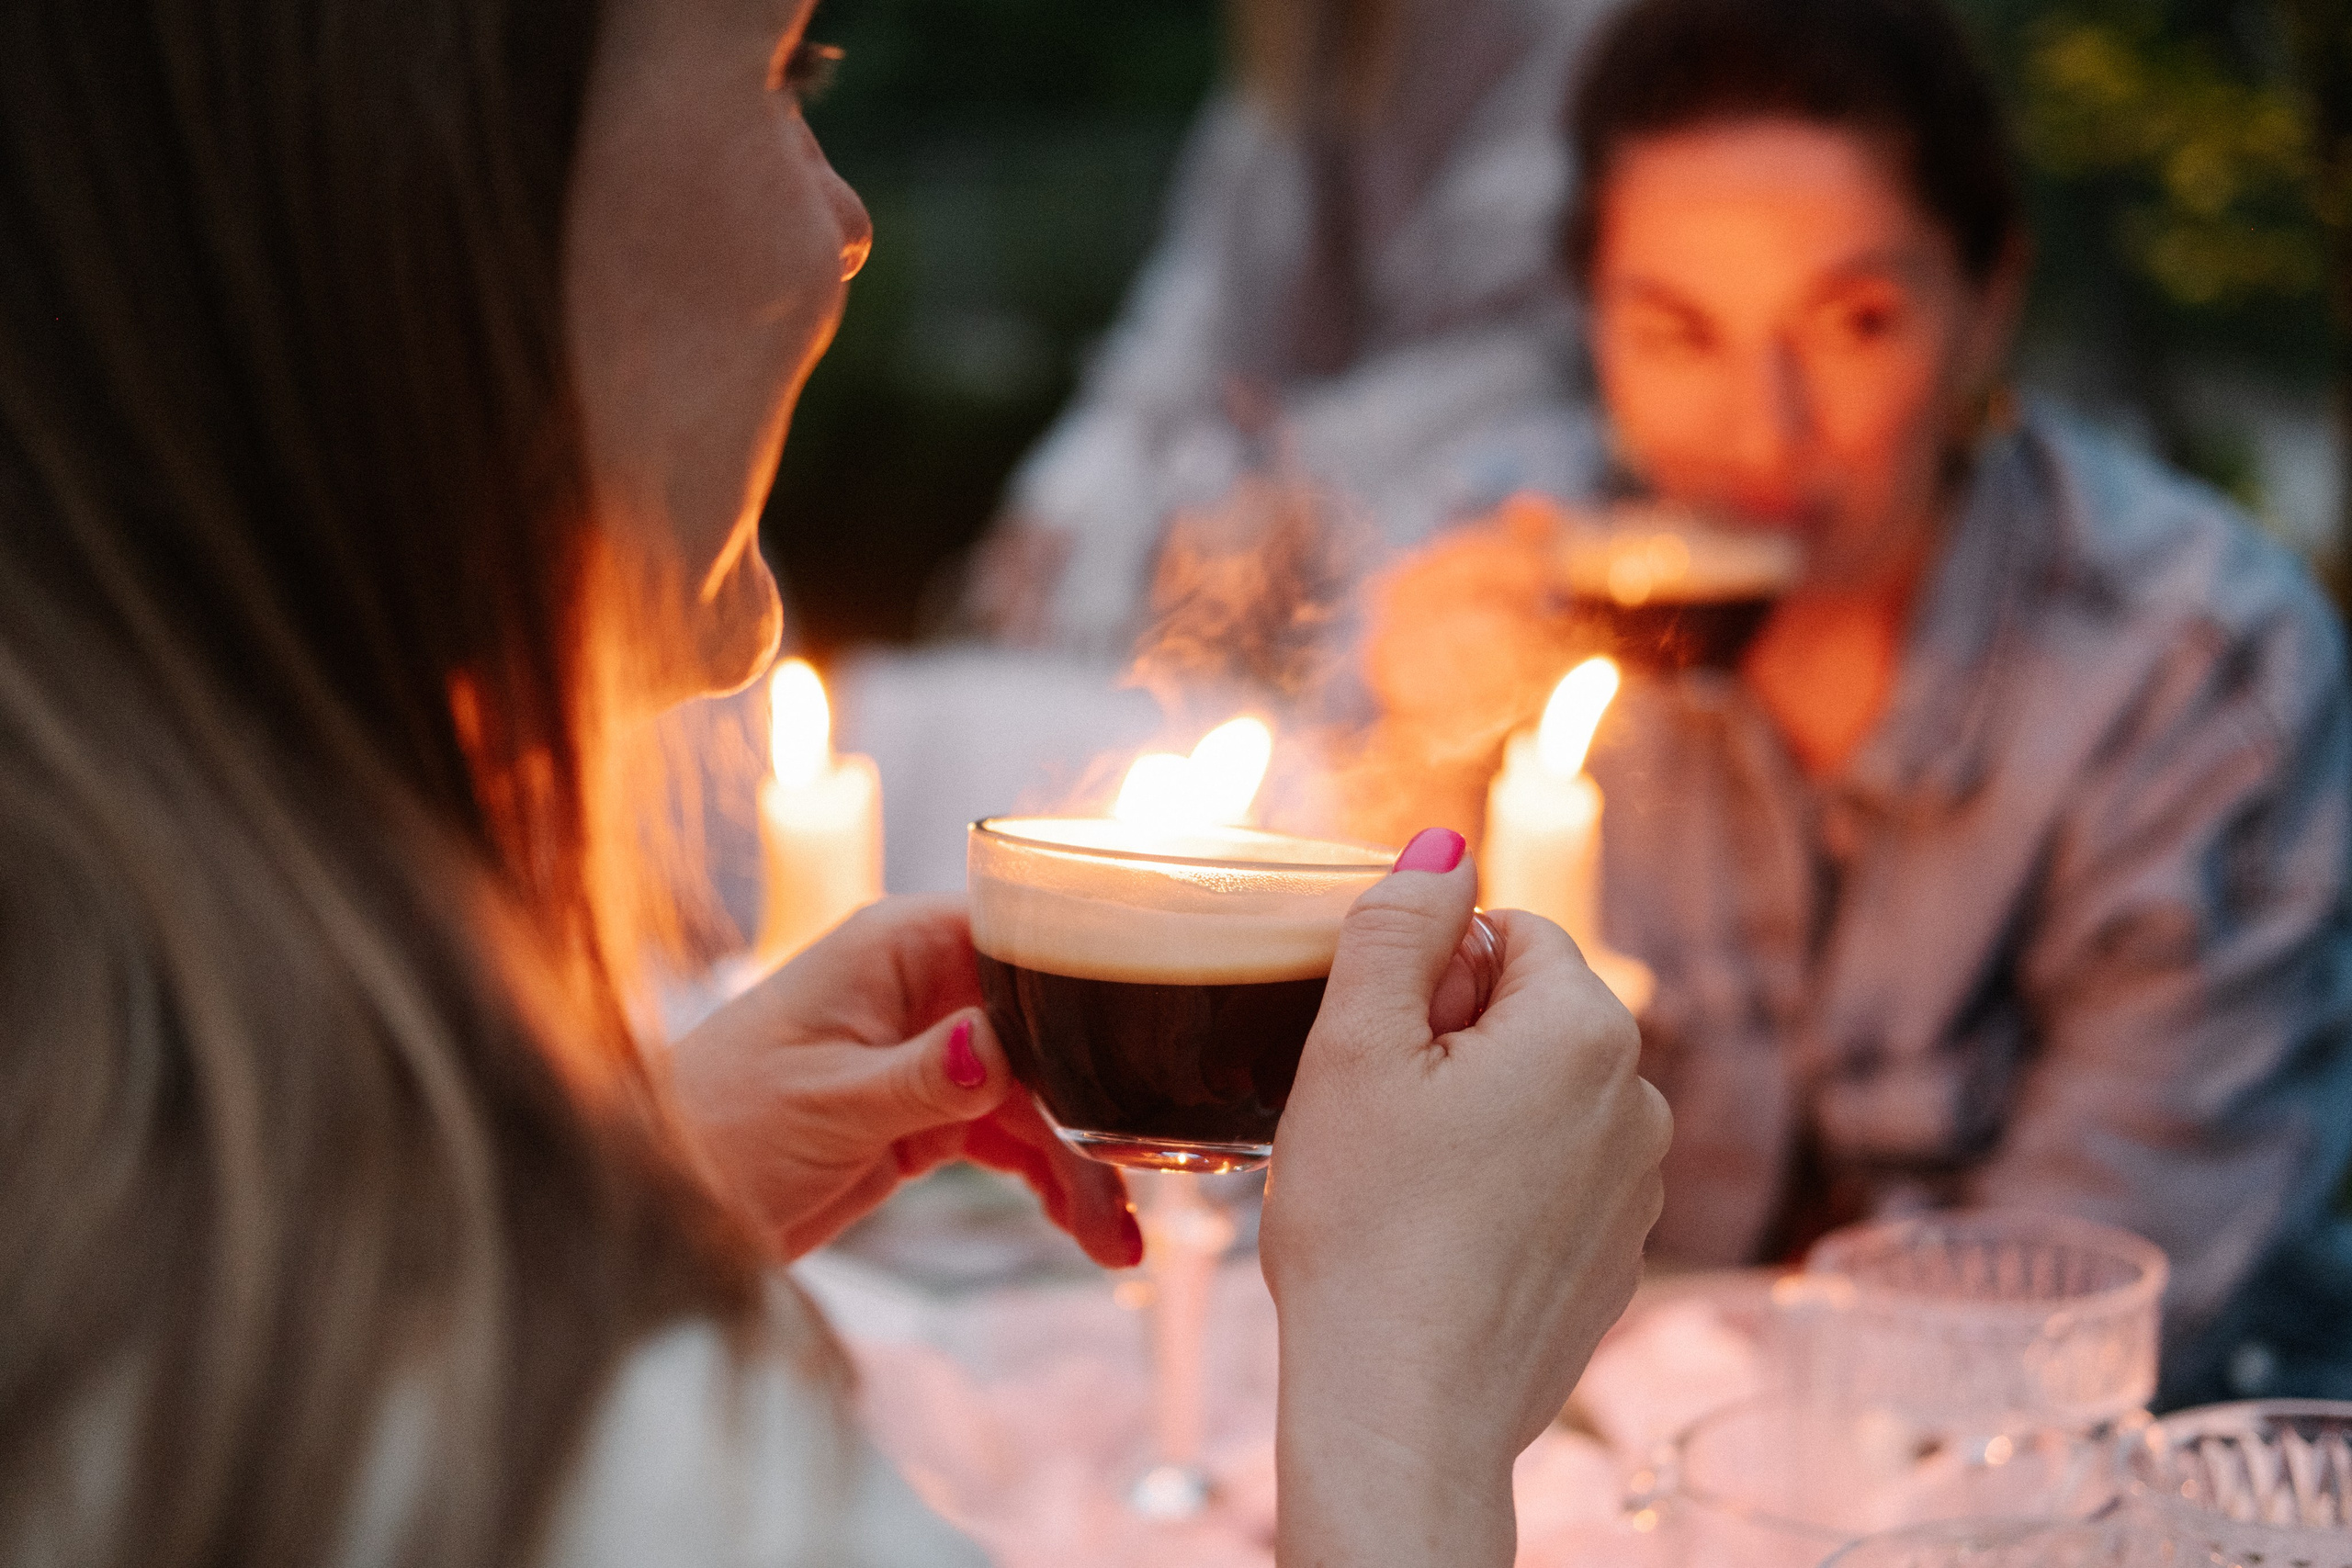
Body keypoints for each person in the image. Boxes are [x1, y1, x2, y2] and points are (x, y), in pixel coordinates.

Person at [0, 1, 1670, 1566]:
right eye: (786, 70)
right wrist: (1411, 1429)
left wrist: (653, 1202)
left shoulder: (136, 1147)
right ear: (434, 196)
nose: (848, 225)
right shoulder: (588, 1453)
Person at [1368, 0, 2352, 1407]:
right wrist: (1400, 771)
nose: (1765, 426)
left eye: (1855, 321)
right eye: (1677, 332)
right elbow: (1362, 1139)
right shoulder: (1506, 571)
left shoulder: (2195, 670)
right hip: (1626, 1459)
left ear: (1986, 306)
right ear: (1590, 323)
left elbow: (2087, 1301)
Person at [959, 0, 1623, 656]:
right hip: (1268, 518)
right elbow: (1191, 314)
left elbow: (1533, 348)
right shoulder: (1288, 61)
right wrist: (1058, 495)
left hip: (1480, 505)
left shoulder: (1559, 37)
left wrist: (1295, 467)